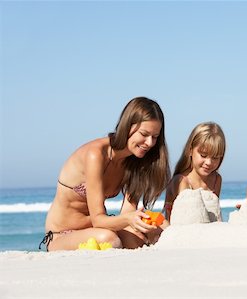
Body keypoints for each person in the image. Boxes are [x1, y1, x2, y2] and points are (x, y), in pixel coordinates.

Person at [41, 97, 171, 251]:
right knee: (110, 239)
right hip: (62, 234)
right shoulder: (96, 155)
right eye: (144, 134)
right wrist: (129, 219)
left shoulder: (135, 162)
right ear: (128, 126)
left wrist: (139, 220)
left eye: (155, 137)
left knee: (156, 230)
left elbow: (128, 212)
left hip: (98, 230)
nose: (149, 143)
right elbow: (98, 220)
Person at [164, 122, 226, 223]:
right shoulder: (182, 181)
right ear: (190, 150)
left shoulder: (216, 180)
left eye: (215, 157)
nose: (209, 163)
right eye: (203, 155)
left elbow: (215, 216)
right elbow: (182, 221)